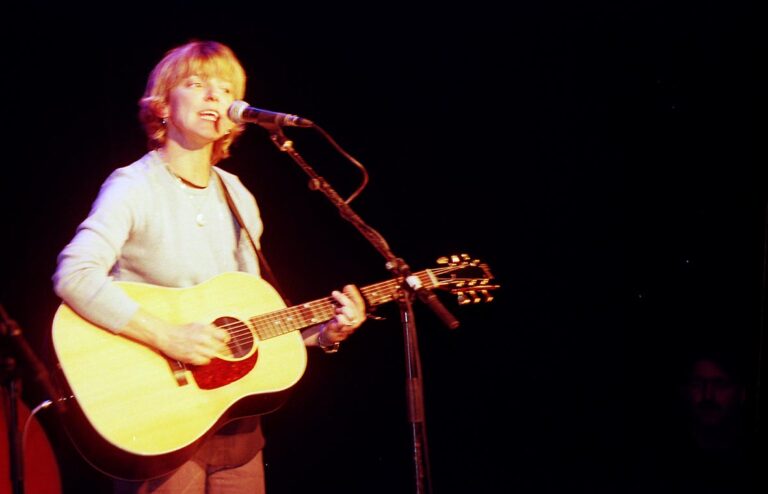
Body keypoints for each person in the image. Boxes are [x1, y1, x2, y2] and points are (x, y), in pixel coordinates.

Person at [52, 39, 367, 493]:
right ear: (162, 105)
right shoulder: (133, 186)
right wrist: (167, 335)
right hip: (163, 424)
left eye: (224, 90)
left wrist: (325, 334)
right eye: (197, 85)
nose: (214, 97)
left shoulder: (238, 196)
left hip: (238, 432)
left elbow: (250, 325)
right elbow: (74, 275)